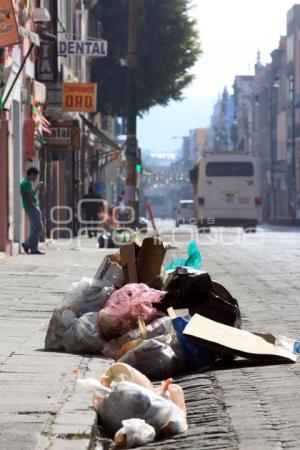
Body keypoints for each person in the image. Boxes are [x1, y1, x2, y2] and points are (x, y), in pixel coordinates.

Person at [20, 167, 44, 255]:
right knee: (39, 228)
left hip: (31, 207)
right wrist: (33, 206)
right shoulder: (25, 183)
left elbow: (31, 194)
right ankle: (27, 244)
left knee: (34, 228)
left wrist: (37, 187)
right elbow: (27, 196)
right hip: (31, 207)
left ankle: (34, 249)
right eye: (35, 176)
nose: (36, 178)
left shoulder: (27, 183)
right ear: (31, 175)